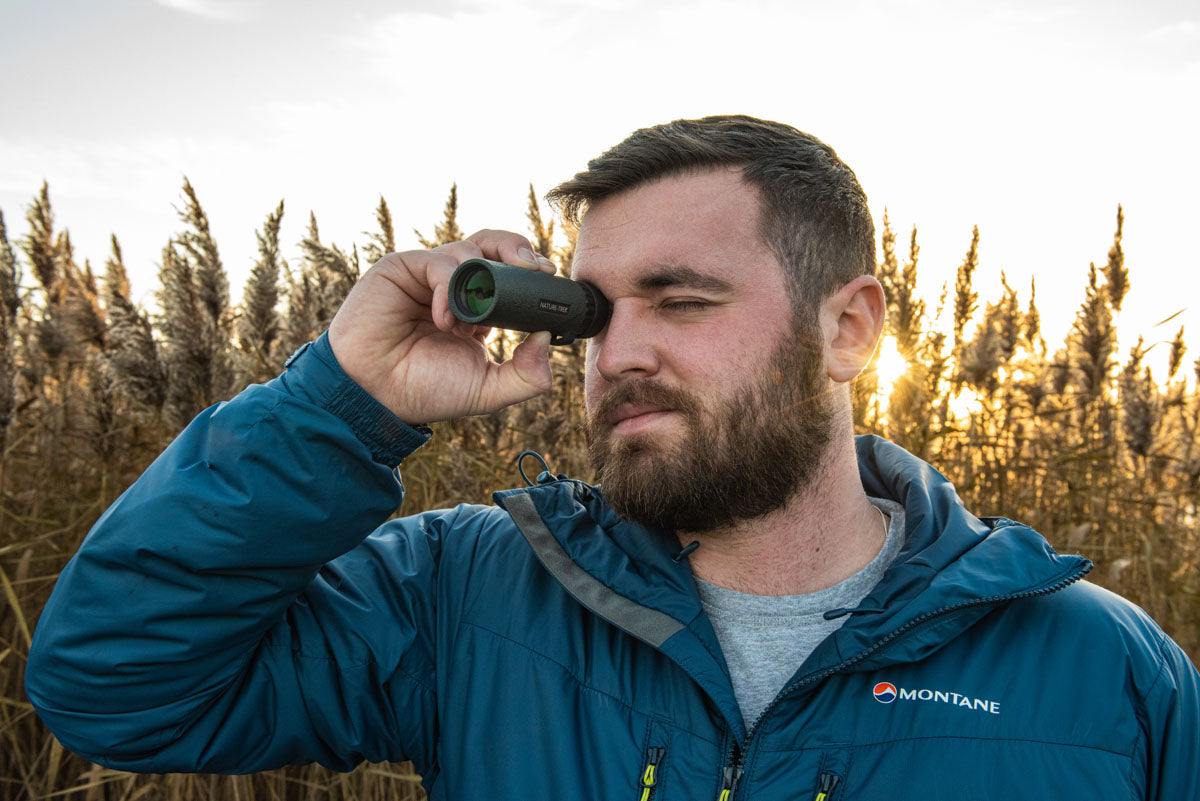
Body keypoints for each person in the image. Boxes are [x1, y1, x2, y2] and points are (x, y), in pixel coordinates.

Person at [26, 116, 1198, 800]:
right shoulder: (467, 594)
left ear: (847, 330)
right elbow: (113, 689)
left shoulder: (1102, 670)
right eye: (589, 316)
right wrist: (343, 405)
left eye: (681, 302)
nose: (618, 355)